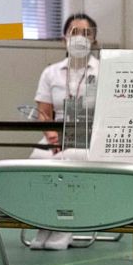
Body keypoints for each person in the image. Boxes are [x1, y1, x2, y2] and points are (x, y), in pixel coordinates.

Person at [29, 13, 99, 250]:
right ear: (64, 39)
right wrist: (52, 138)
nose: (79, 38)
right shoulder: (51, 72)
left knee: (71, 159)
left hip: (89, 138)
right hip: (56, 137)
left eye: (86, 33)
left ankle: (63, 227)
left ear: (94, 40)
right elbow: (44, 113)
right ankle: (43, 224)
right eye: (74, 32)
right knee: (38, 158)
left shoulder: (103, 72)